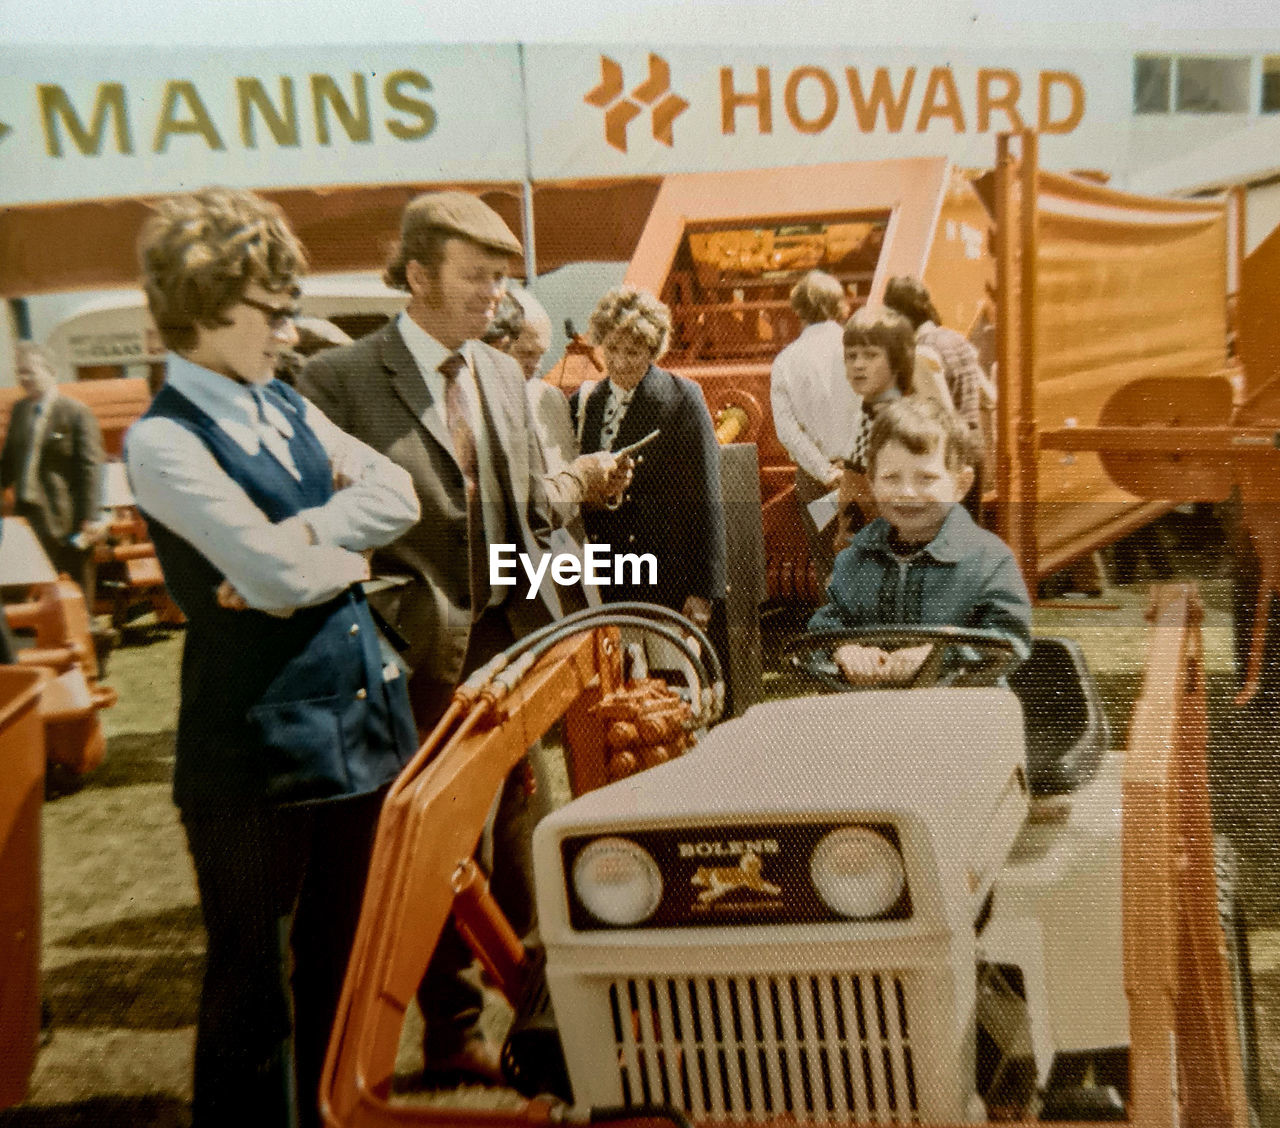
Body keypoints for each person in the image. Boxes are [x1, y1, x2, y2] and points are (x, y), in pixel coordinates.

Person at [124, 187, 420, 1128]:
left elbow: (399, 495)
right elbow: (271, 576)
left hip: (361, 730)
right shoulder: (163, 438)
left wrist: (302, 545)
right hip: (252, 759)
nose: (289, 332)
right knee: (252, 997)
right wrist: (321, 557)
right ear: (205, 300)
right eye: (272, 311)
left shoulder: (285, 403)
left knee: (344, 966)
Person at [297, 190, 571, 1084]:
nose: (496, 294)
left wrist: (573, 609)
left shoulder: (501, 374)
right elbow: (321, 526)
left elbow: (532, 516)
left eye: (502, 278)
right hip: (410, 661)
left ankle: (539, 1008)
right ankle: (450, 1028)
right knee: (435, 850)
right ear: (417, 275)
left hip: (515, 647)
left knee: (522, 837)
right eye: (478, 276)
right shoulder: (338, 384)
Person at [809, 397, 1031, 687]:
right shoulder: (855, 559)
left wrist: (939, 656)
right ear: (873, 483)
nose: (907, 492)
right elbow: (826, 626)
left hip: (963, 712)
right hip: (875, 712)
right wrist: (844, 649)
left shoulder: (989, 560)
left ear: (960, 485)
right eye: (891, 478)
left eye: (926, 478)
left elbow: (1010, 639)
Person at [575, 286, 727, 635]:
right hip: (607, 574)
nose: (620, 362)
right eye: (612, 349)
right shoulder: (588, 402)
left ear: (653, 350)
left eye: (634, 351)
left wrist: (705, 589)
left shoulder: (683, 398)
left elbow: (707, 498)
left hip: (667, 576)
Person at [834, 303, 954, 550]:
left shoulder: (896, 418)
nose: (858, 365)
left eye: (870, 355)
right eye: (851, 356)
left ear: (897, 360)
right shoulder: (871, 409)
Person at [770, 269, 862, 588]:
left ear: (798, 309)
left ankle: (836, 636)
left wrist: (826, 473)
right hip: (862, 476)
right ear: (840, 306)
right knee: (871, 561)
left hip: (816, 483)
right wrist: (851, 469)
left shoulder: (786, 361)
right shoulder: (859, 350)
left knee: (828, 565)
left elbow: (787, 432)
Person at [1, 342, 104, 596]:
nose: (24, 378)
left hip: (63, 516)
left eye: (30, 371)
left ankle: (85, 629)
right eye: (20, 372)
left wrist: (91, 516)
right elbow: (9, 463)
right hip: (27, 514)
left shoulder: (76, 413)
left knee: (76, 585)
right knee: (25, 584)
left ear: (51, 371)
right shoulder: (20, 410)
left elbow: (91, 467)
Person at [883, 275, 993, 512]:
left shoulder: (922, 352)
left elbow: (944, 416)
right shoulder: (958, 340)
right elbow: (990, 397)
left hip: (949, 455)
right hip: (975, 447)